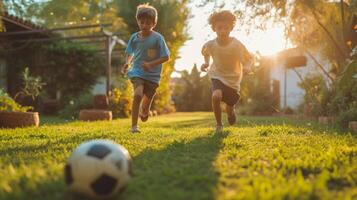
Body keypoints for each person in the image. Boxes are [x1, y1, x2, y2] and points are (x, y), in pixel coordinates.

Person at [201, 10, 253, 134]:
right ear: (214, 29)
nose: (223, 31)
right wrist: (206, 63)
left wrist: (247, 66)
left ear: (231, 29)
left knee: (229, 107)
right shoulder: (210, 44)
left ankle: (231, 112)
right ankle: (219, 125)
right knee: (216, 96)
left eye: (226, 28)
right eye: (219, 28)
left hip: (233, 80)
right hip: (217, 75)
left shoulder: (237, 45)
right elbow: (205, 53)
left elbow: (249, 58)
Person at [121, 3, 170, 133]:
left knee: (146, 103)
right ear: (138, 21)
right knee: (137, 95)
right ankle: (134, 127)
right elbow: (129, 52)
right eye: (142, 22)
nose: (144, 25)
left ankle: (145, 109)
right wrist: (127, 63)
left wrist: (150, 64)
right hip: (137, 71)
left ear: (153, 24)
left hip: (153, 76)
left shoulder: (158, 38)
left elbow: (166, 57)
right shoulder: (134, 38)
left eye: (148, 23)